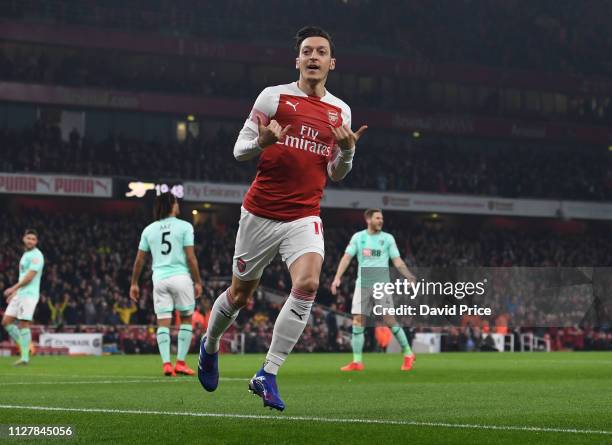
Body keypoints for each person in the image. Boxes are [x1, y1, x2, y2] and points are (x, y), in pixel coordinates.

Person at [198, 25, 367, 411]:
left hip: (304, 215)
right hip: (260, 213)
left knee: (307, 284)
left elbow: (336, 173)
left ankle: (267, 373)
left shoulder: (340, 110)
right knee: (240, 295)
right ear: (297, 60)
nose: (313, 57)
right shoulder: (273, 97)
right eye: (307, 51)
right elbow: (239, 150)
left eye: (320, 52)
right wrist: (263, 141)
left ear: (331, 62)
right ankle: (209, 346)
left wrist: (347, 151)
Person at [331, 209, 416, 371]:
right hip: (362, 285)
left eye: (382, 218)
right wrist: (337, 277)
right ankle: (357, 361)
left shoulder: (387, 238)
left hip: (381, 285)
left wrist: (408, 275)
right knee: (358, 321)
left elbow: (397, 261)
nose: (381, 220)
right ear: (368, 220)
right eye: (377, 218)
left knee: (390, 321)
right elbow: (347, 257)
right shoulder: (358, 237)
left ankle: (408, 353)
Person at [130, 192, 203, 377]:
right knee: (186, 318)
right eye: (176, 203)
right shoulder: (185, 226)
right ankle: (180, 363)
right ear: (172, 205)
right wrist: (198, 281)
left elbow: (139, 260)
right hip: (180, 277)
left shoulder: (149, 229)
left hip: (159, 279)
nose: (178, 205)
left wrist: (134, 283)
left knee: (163, 322)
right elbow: (191, 257)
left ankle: (166, 365)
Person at [2, 229, 45, 366]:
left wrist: (13, 289)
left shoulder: (37, 256)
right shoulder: (26, 254)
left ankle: (25, 356)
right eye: (28, 238)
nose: (30, 241)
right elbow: (23, 277)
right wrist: (16, 293)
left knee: (23, 324)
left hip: (29, 296)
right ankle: (26, 347)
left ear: (36, 241)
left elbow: (29, 277)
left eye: (33, 239)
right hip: (21, 293)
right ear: (23, 239)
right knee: (6, 322)